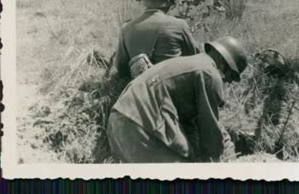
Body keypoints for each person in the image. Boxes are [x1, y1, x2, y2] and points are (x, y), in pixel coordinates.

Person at [106, 36, 248, 163]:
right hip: (139, 126)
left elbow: (190, 124)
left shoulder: (192, 63)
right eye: (231, 76)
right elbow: (209, 130)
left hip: (120, 120)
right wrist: (218, 163)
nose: (228, 82)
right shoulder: (210, 74)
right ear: (224, 62)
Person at [113, 0, 199, 80]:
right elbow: (195, 59)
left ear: (144, 0)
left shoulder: (126, 28)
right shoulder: (179, 25)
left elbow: (121, 69)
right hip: (173, 91)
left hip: (140, 90)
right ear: (171, 2)